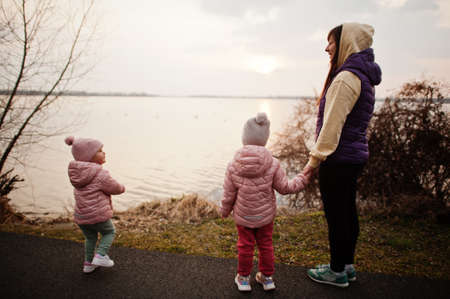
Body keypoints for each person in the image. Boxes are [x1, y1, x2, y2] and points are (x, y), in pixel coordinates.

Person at [302, 23, 382, 287]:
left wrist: (313, 161)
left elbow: (331, 127)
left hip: (338, 158)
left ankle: (336, 271)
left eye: (331, 42)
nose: (327, 48)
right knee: (347, 212)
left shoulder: (346, 78)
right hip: (354, 156)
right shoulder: (363, 77)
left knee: (337, 215)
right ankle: (346, 265)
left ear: (346, 42)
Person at [221, 112, 309, 292]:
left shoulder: (233, 164)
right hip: (265, 216)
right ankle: (267, 278)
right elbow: (285, 187)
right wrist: (303, 178)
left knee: (245, 246)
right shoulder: (273, 163)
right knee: (266, 245)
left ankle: (244, 279)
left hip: (244, 216)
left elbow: (229, 194)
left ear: (244, 138)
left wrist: (224, 210)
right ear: (265, 139)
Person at [65, 136, 125, 273]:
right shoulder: (100, 174)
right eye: (100, 150)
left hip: (82, 216)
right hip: (97, 215)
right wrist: (122, 188)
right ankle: (100, 256)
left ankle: (88, 264)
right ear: (89, 156)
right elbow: (114, 188)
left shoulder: (77, 174)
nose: (104, 153)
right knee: (109, 232)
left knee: (90, 238)